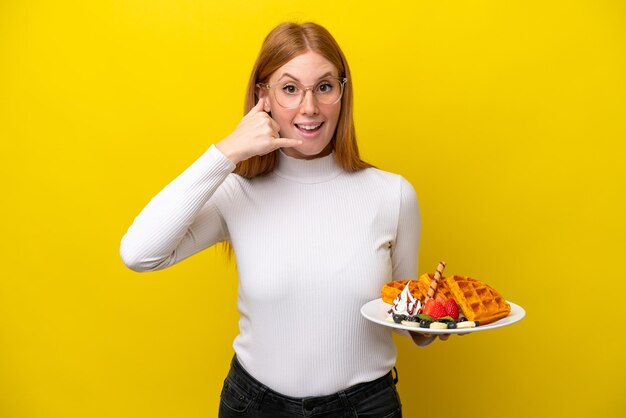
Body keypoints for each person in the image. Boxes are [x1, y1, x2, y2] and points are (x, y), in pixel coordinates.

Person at [120, 21, 445, 417]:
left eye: (324, 87)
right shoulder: (235, 192)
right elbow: (139, 253)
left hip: (364, 408)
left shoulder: (392, 194)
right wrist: (226, 153)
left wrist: (441, 319)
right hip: (255, 406)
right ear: (264, 96)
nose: (309, 108)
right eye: (290, 89)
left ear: (342, 93)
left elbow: (407, 323)